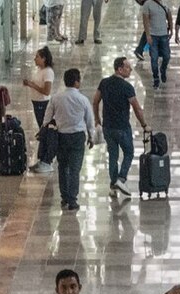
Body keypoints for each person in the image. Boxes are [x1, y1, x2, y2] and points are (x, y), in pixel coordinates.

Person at [93, 57, 149, 198]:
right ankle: (121, 179)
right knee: (129, 152)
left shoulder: (104, 83)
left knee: (113, 155)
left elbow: (95, 101)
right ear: (119, 69)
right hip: (122, 127)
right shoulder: (127, 87)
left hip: (107, 127)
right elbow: (137, 108)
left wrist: (97, 120)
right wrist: (144, 125)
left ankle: (113, 185)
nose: (130, 70)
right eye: (127, 67)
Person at [43, 68, 95, 212]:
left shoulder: (56, 98)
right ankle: (73, 199)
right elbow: (90, 120)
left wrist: (47, 130)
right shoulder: (83, 99)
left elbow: (46, 119)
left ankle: (64, 196)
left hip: (61, 136)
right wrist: (91, 137)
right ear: (77, 82)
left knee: (62, 166)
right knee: (74, 169)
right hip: (78, 137)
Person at [24, 47, 56, 173]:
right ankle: (41, 158)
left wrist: (32, 85)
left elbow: (46, 91)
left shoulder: (48, 72)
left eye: (37, 57)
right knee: (42, 131)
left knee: (45, 131)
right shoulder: (40, 70)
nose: (35, 59)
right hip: (37, 104)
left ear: (44, 58)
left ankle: (46, 160)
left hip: (43, 104)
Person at [142, 0, 173, 89]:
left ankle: (163, 69)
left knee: (167, 56)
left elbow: (169, 17)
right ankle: (156, 77)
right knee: (154, 58)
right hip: (153, 35)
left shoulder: (166, 3)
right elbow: (145, 21)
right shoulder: (147, 4)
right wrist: (148, 35)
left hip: (164, 34)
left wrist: (171, 29)